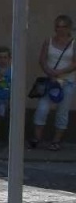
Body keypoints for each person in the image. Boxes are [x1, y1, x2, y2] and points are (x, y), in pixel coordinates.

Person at [30, 15, 75, 151]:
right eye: (58, 26)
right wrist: (50, 72)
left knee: (62, 111)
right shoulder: (48, 41)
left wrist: (60, 71)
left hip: (67, 81)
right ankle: (37, 138)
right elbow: (42, 60)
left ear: (69, 28)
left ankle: (56, 141)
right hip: (50, 82)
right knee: (42, 109)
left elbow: (75, 63)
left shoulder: (73, 43)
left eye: (63, 26)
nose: (60, 29)